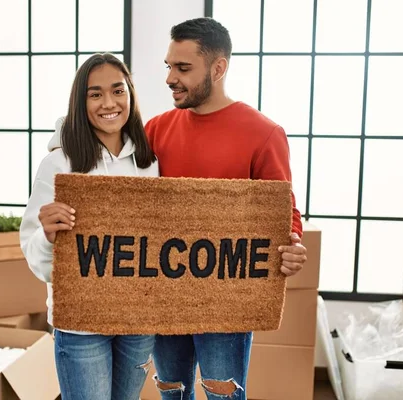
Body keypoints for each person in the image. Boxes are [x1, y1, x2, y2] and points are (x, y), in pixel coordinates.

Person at [144, 18, 308, 399]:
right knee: (171, 390)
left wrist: (292, 241)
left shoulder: (263, 133)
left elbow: (283, 209)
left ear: (218, 68)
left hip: (226, 295)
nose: (171, 78)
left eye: (183, 68)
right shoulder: (154, 130)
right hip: (164, 290)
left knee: (223, 394)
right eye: (169, 66)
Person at [20, 53, 159, 400]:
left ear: (130, 94)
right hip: (81, 324)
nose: (108, 103)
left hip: (137, 320)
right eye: (95, 94)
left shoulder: (150, 162)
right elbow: (35, 259)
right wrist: (48, 235)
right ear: (80, 102)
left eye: (117, 91)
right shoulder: (58, 163)